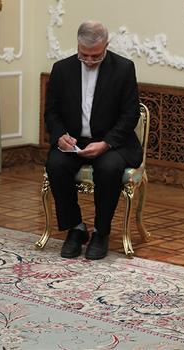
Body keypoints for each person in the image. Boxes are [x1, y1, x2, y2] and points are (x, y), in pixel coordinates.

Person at [44, 20, 142, 260]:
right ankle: (75, 228)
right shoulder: (61, 69)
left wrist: (106, 143)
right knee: (56, 164)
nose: (89, 60)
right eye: (83, 55)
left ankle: (101, 232)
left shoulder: (124, 68)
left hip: (112, 142)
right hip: (74, 141)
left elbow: (130, 114)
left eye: (95, 56)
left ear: (106, 45)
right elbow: (51, 112)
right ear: (77, 46)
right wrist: (59, 137)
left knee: (109, 168)